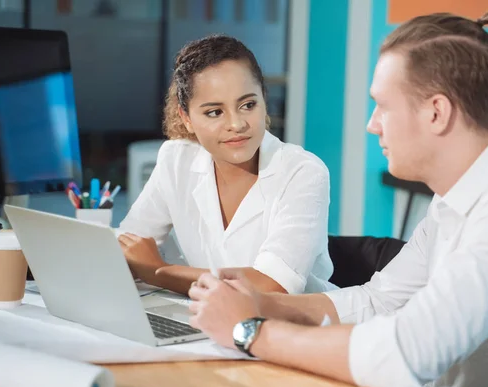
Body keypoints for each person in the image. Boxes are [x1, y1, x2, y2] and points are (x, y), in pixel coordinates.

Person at [185, 8, 488, 387]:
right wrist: (263, 303)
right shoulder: (452, 204)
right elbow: (378, 302)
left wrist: (250, 330)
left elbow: (405, 355)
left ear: (436, 112)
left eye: (383, 106)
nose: (372, 123)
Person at [118, 35, 336, 295]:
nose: (236, 124)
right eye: (214, 112)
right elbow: (127, 246)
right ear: (186, 118)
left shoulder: (303, 172)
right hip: (208, 322)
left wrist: (158, 271)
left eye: (248, 105)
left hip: (290, 325)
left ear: (264, 100)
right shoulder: (176, 160)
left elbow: (272, 285)